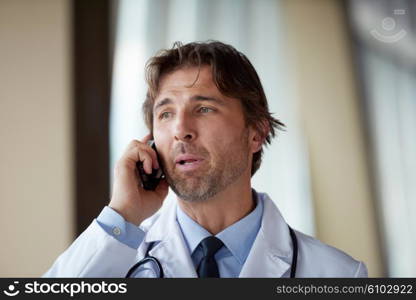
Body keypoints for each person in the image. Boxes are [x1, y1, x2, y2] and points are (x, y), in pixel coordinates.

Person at [44, 41, 368, 278]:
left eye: (204, 109)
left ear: (255, 132)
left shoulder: (337, 274)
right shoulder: (116, 256)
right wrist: (123, 215)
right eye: (166, 113)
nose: (181, 130)